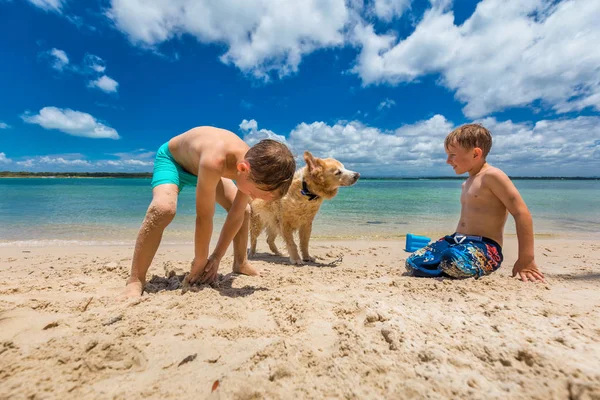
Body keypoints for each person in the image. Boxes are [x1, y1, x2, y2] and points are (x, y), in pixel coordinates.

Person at [122, 126, 296, 298]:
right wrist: (200, 260)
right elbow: (204, 217)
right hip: (173, 162)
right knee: (163, 209)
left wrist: (216, 257)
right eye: (253, 193)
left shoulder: (254, 166)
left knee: (245, 211)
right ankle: (136, 279)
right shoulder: (216, 160)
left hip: (203, 169)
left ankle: (240, 263)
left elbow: (236, 215)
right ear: (243, 169)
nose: (253, 196)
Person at [406, 124, 545, 282]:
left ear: (475, 153)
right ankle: (449, 264)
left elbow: (521, 213)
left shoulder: (493, 176)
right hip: (457, 240)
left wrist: (526, 259)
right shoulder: (467, 182)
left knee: (451, 259)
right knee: (414, 262)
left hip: (484, 247)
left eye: (452, 155)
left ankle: (459, 263)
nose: (447, 161)